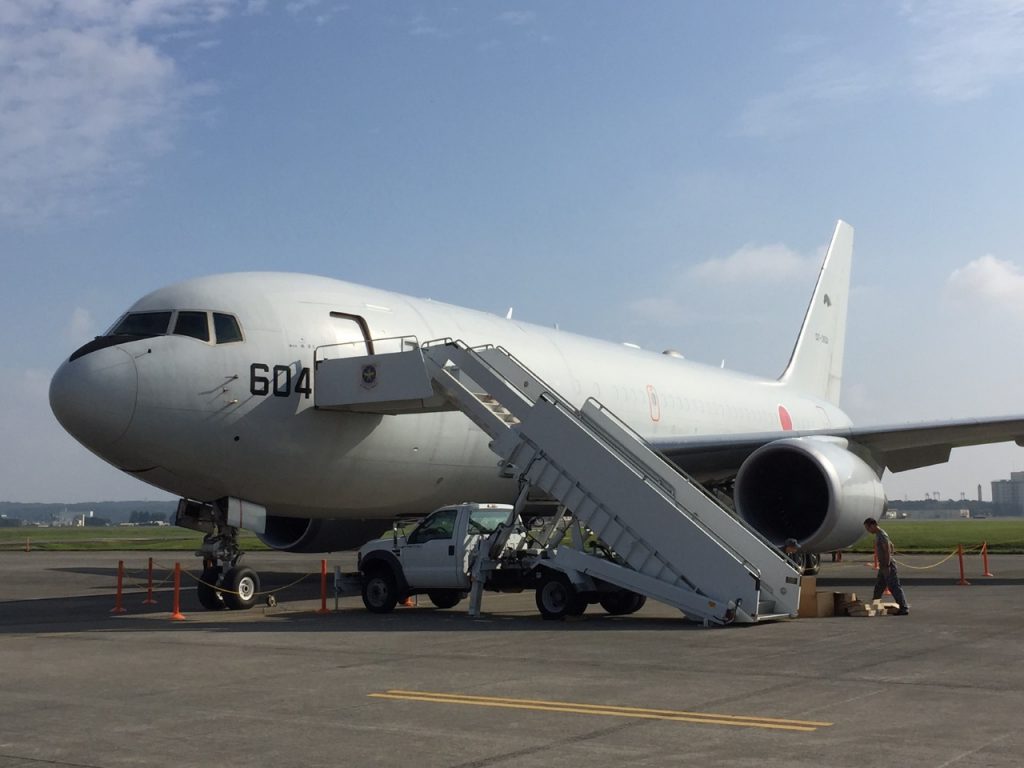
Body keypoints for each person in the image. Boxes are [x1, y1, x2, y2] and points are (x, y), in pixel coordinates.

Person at [863, 517, 909, 615]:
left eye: (868, 528)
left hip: (887, 565)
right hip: (883, 565)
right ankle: (875, 605)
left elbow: (887, 550)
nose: (868, 530)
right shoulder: (878, 535)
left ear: (874, 525)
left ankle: (904, 608)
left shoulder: (882, 535)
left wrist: (887, 564)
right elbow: (891, 545)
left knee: (894, 586)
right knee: (879, 586)